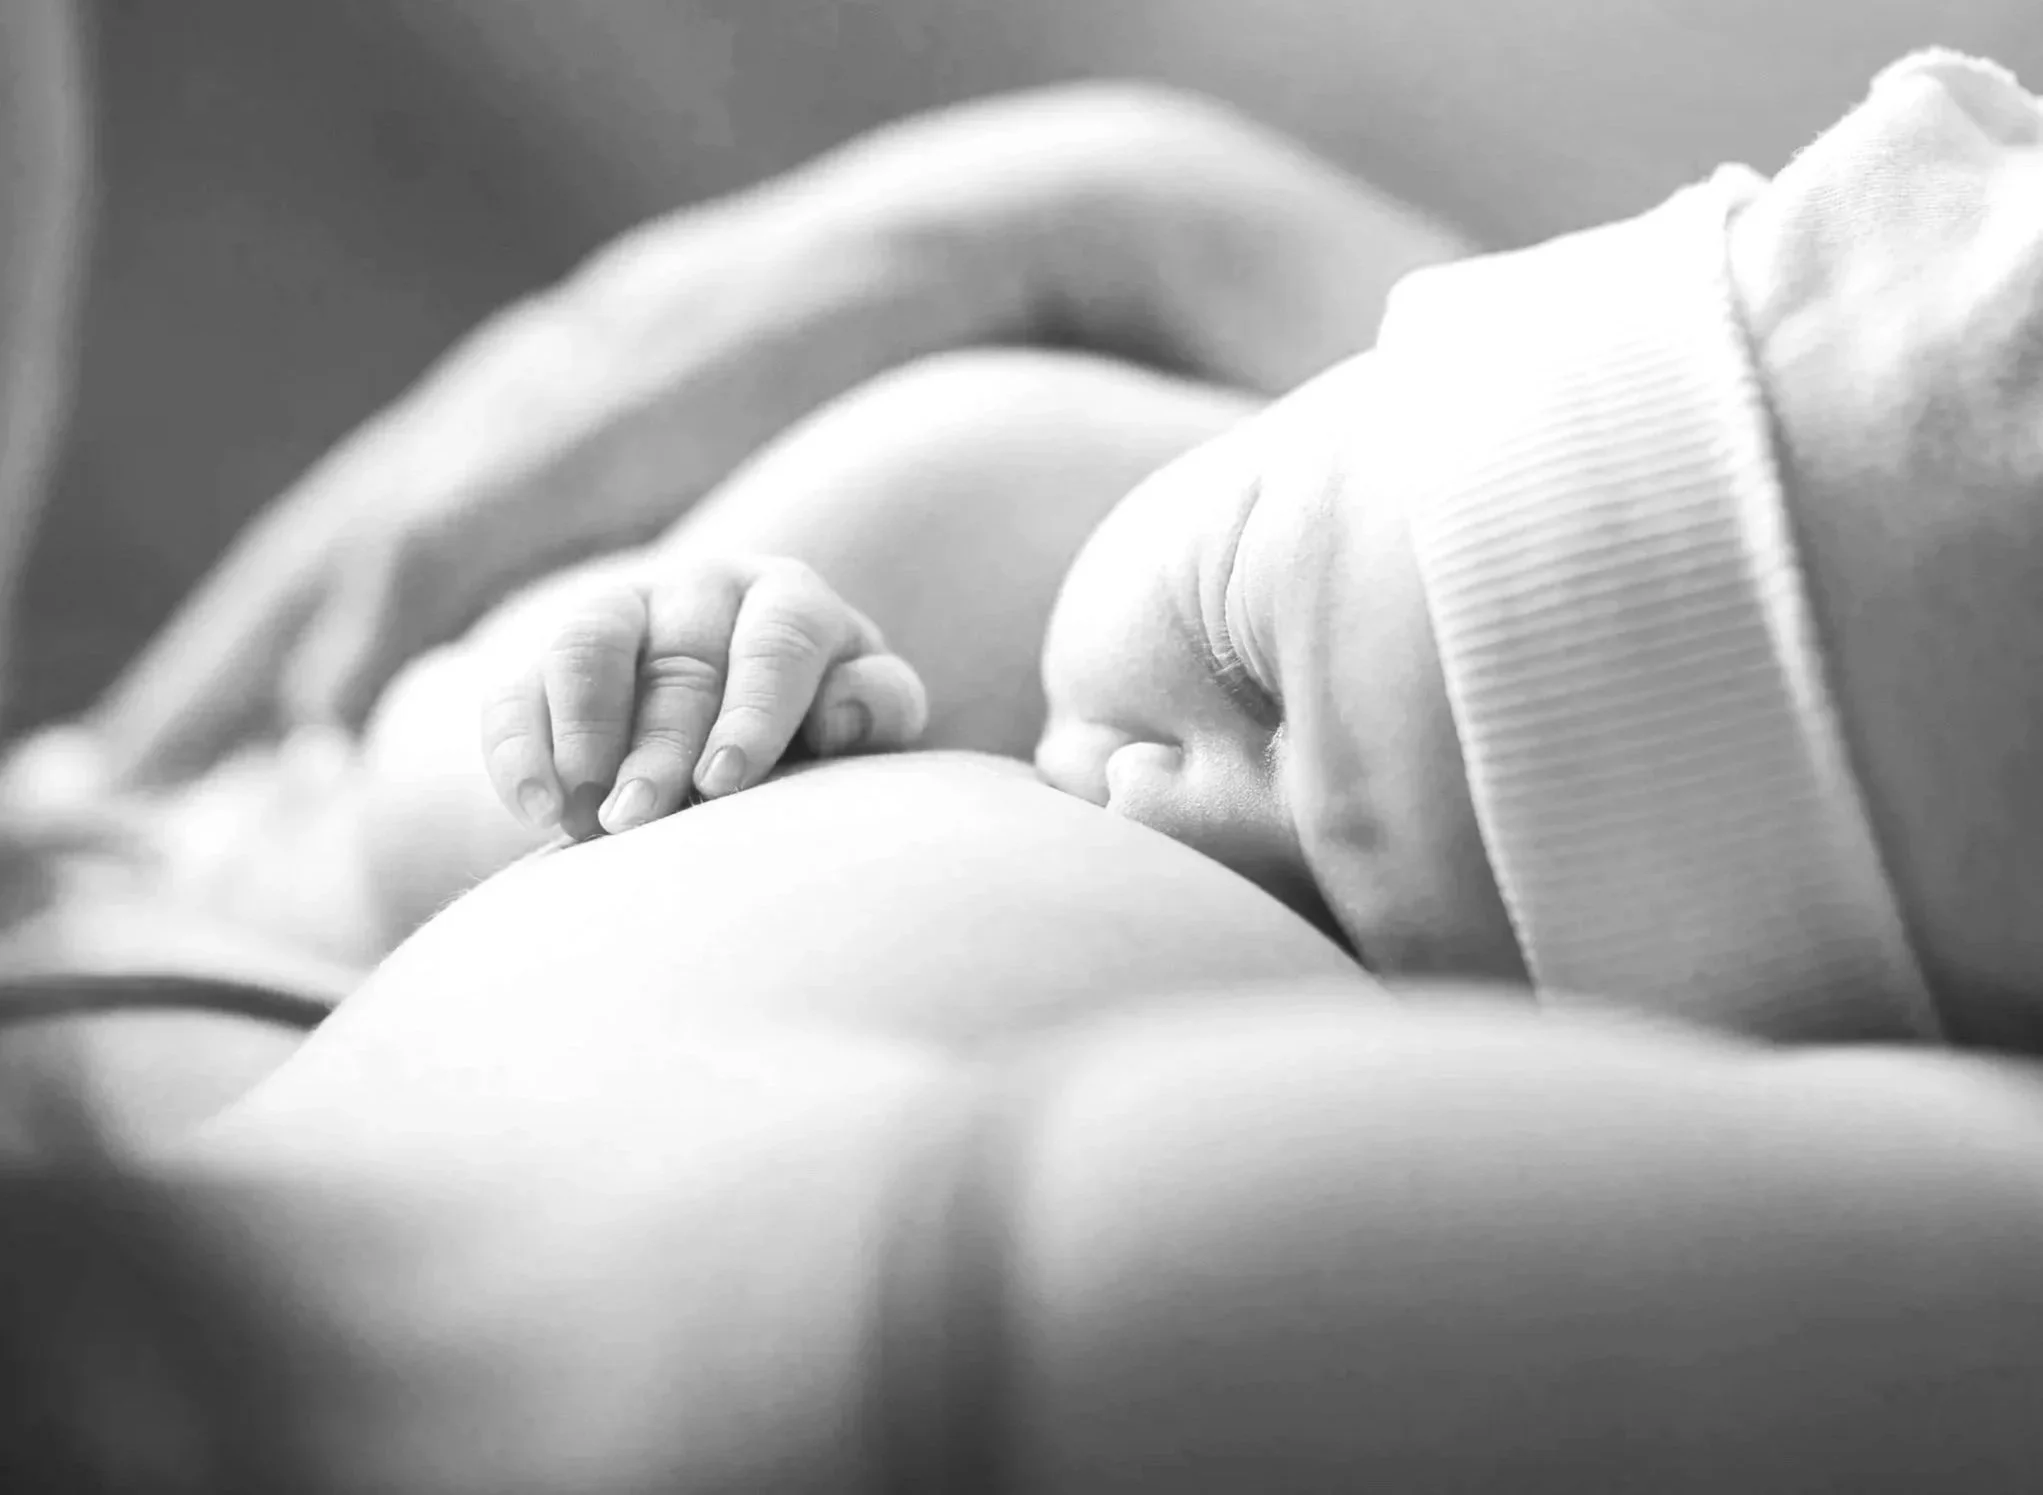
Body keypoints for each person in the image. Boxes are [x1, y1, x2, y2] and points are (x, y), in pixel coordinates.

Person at [8, 27, 2043, 1491]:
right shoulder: (996, 508)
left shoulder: (1075, 1243)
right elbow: (382, 812)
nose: (1154, 786)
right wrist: (607, 688)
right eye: (1248, 658)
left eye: (1447, 925)